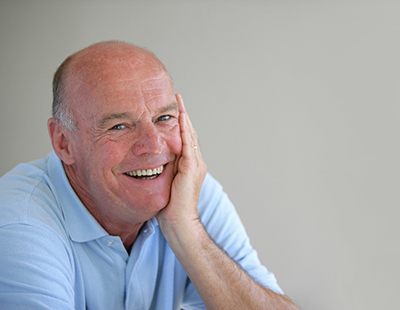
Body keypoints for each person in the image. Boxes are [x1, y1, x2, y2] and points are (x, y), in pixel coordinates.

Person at [0, 41, 298, 310]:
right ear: (64, 142)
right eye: (119, 126)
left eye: (164, 118)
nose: (154, 146)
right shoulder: (19, 219)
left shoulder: (187, 191)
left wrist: (186, 230)